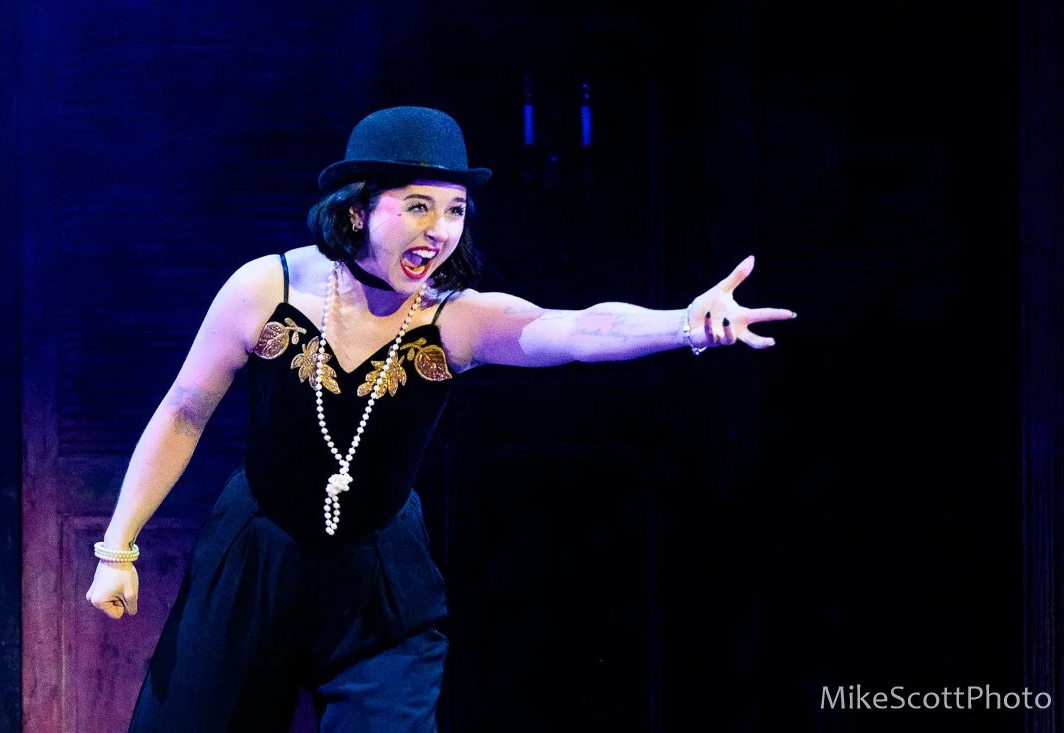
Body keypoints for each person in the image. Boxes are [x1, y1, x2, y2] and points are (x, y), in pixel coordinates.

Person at [85, 105, 796, 732]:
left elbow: (574, 329)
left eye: (455, 209)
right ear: (358, 208)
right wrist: (118, 546)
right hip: (253, 557)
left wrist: (687, 326)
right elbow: (184, 408)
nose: (441, 229)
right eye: (418, 205)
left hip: (381, 577)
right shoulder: (265, 286)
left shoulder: (454, 319)